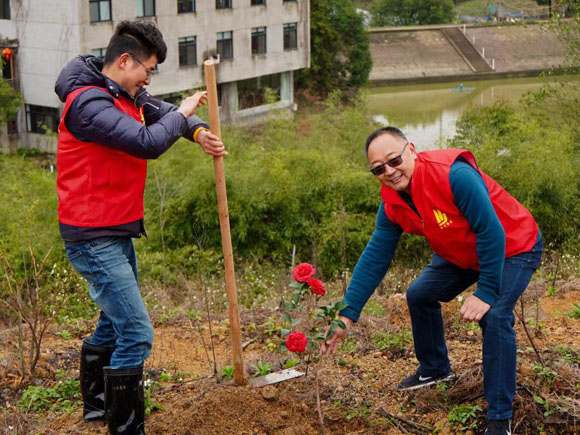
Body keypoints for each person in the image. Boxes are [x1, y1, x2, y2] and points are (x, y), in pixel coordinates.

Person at [54, 21, 225, 434]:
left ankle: (97, 407)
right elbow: (147, 142)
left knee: (113, 322)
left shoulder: (124, 91)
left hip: (114, 229)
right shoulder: (88, 104)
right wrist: (184, 112)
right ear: (125, 60)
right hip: (92, 237)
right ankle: (126, 427)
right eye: (147, 69)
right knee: (136, 330)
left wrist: (197, 129)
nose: (149, 79)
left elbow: (166, 115)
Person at [321, 127, 542, 435]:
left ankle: (500, 418)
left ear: (411, 149)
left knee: (495, 315)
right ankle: (435, 369)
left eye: (394, 159)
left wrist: (487, 290)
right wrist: (348, 313)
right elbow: (376, 255)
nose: (389, 171)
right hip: (461, 253)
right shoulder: (392, 203)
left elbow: (491, 232)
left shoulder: (454, 176)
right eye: (378, 169)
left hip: (514, 246)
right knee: (420, 294)